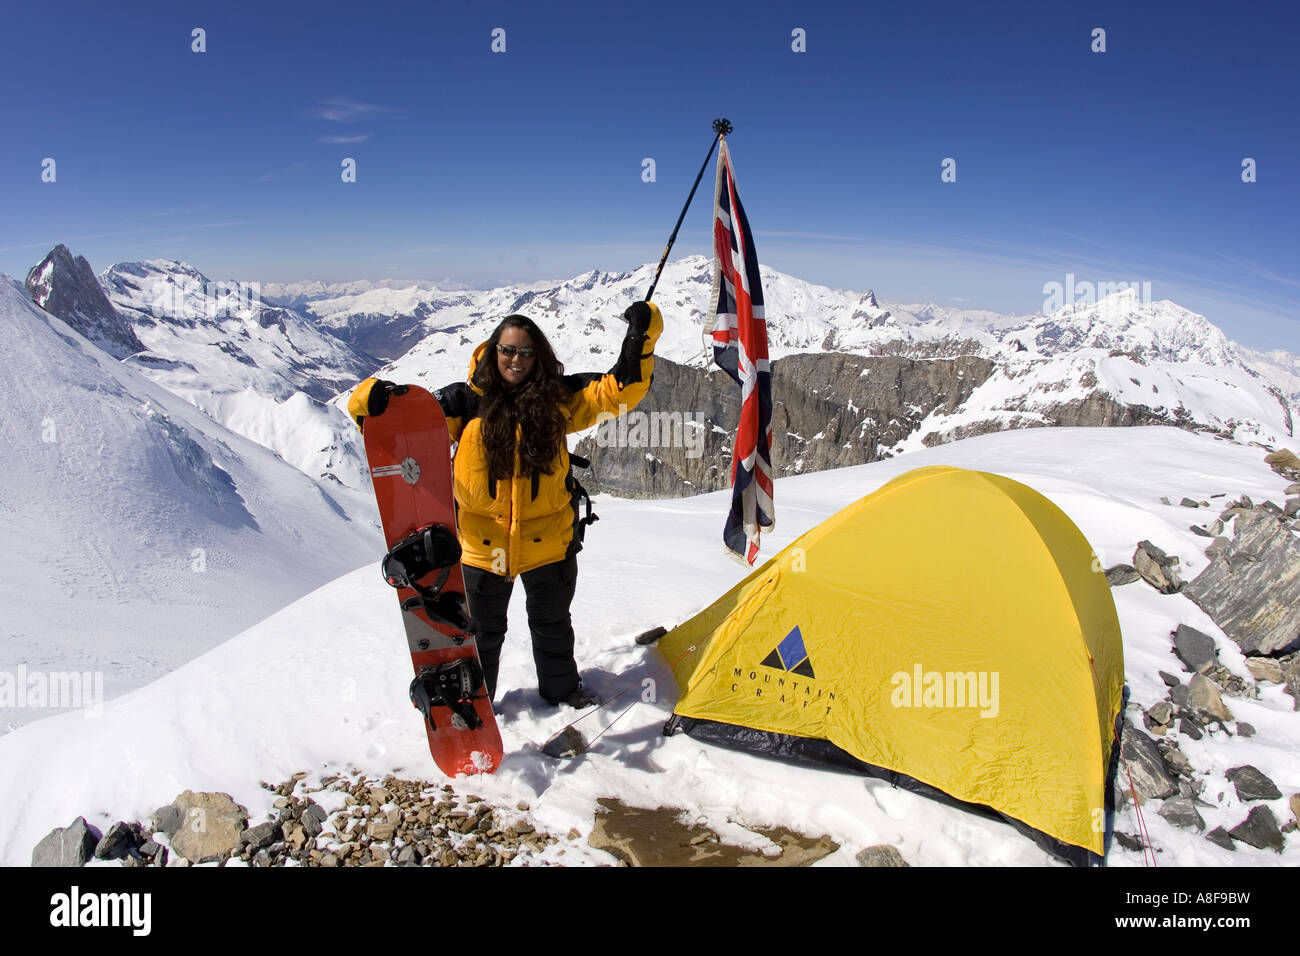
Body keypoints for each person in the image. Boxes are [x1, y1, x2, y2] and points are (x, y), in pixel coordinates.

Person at [349, 301, 663, 708]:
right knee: (481, 633)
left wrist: (642, 334)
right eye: (508, 350)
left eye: (526, 352)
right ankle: (482, 703)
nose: (516, 359)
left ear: (539, 356)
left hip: (548, 543)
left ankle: (563, 693)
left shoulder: (559, 398)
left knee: (552, 627)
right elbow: (399, 435)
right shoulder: (464, 403)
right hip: (481, 550)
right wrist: (365, 402)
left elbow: (620, 391)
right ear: (493, 350)